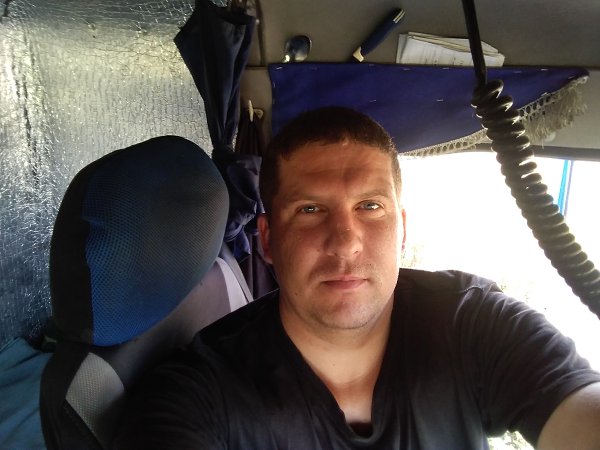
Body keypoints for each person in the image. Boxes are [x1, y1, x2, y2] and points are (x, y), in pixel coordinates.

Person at [114, 107, 600, 449]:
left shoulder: (474, 324)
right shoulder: (196, 394)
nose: (345, 242)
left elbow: (577, 406)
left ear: (402, 230)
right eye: (310, 210)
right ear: (268, 240)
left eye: (370, 206)